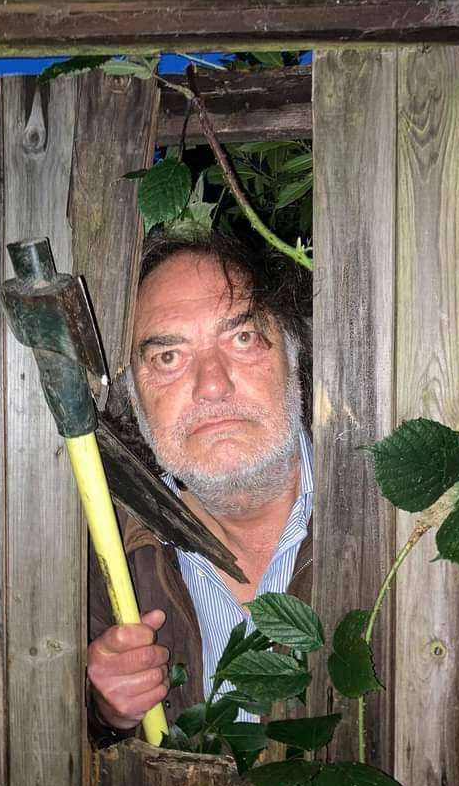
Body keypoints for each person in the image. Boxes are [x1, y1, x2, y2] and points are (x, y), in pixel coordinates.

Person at [87, 226, 314, 742]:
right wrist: (103, 713)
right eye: (168, 357)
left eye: (242, 338)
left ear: (293, 355)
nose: (212, 384)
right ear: (135, 399)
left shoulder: (392, 529)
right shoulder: (103, 556)